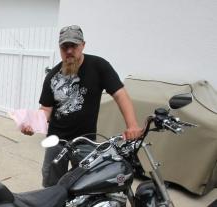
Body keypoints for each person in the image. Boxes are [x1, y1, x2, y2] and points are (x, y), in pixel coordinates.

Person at [22, 25, 143, 187]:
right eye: (65, 47)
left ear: (83, 45)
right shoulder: (52, 76)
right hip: (56, 141)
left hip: (86, 142)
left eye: (74, 46)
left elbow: (120, 95)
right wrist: (33, 124)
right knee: (51, 187)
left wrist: (132, 125)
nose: (69, 51)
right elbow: (46, 109)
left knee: (89, 185)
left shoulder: (99, 66)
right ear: (60, 48)